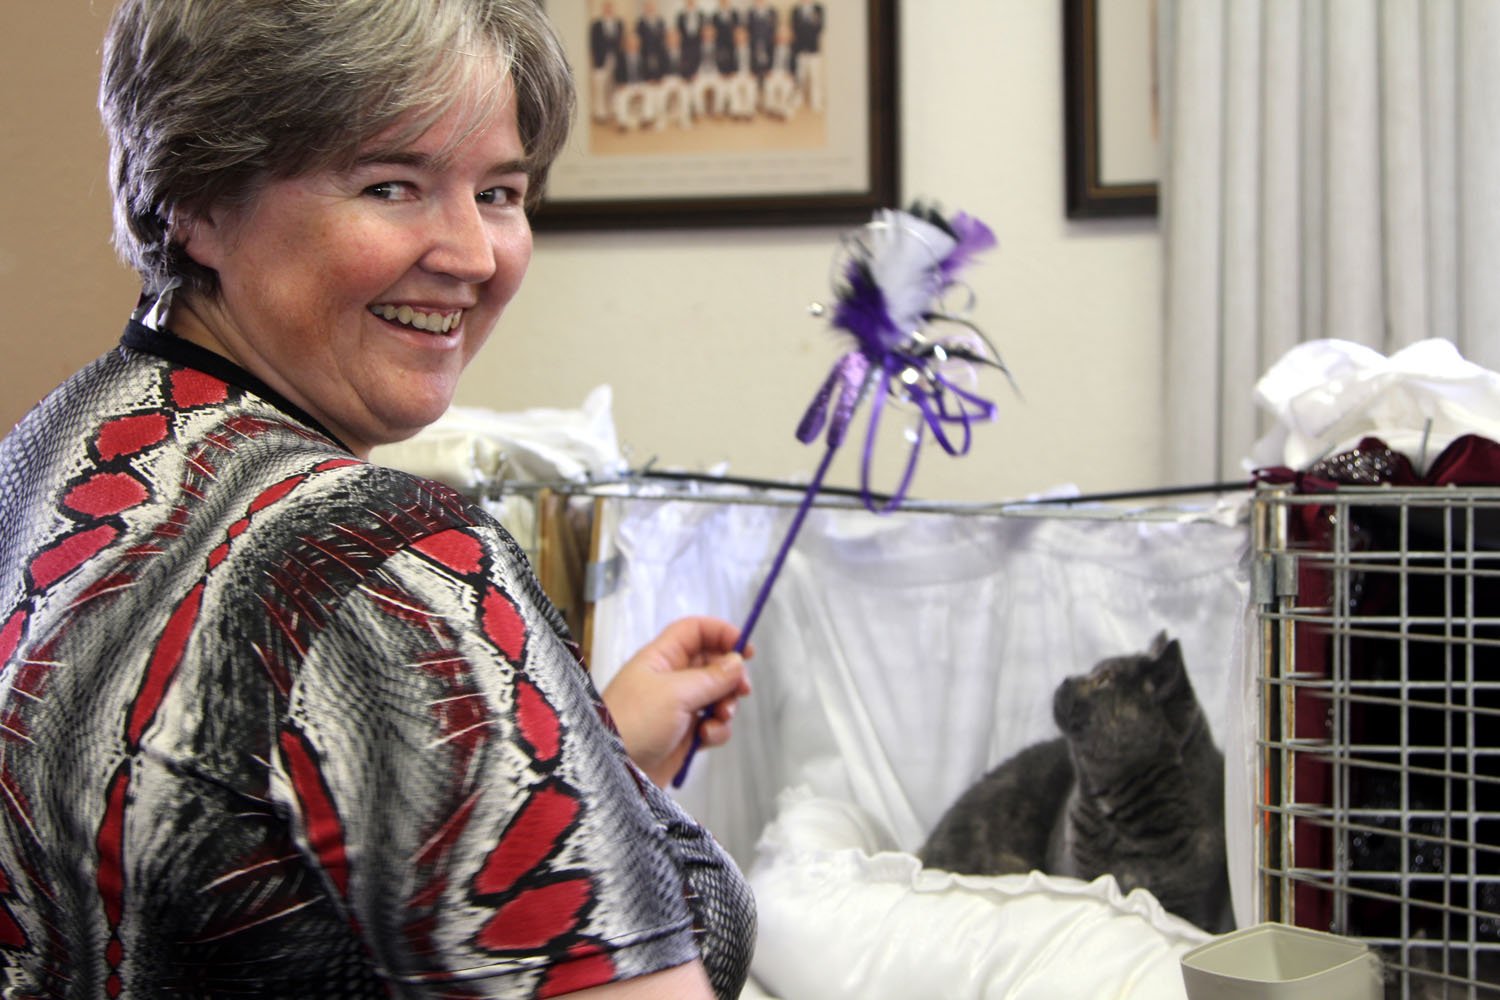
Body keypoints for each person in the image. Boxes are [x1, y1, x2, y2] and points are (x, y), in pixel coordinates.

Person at [0, 1, 756, 998]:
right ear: (197, 201)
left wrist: (574, 748)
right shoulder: (379, 560)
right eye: (390, 185)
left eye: (498, 192)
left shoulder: (44, 451)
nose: (473, 254)